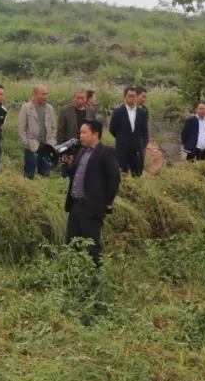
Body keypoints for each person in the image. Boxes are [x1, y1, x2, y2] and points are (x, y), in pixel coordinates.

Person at [65, 121, 121, 268]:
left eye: (85, 132)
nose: (81, 136)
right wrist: (69, 165)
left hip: (92, 207)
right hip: (75, 205)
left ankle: (97, 280)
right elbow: (73, 175)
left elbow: (115, 177)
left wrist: (108, 202)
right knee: (72, 244)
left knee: (92, 246)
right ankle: (72, 277)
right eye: (80, 133)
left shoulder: (105, 152)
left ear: (95, 134)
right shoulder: (81, 151)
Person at [18, 84, 55, 179]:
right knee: (29, 172)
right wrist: (26, 144)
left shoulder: (49, 108)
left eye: (46, 94)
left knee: (45, 172)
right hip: (32, 145)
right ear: (35, 94)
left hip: (46, 145)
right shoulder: (26, 108)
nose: (45, 96)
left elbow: (53, 127)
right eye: (42, 94)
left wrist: (53, 141)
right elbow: (21, 128)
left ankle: (44, 191)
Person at [108, 87, 146, 177]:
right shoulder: (118, 112)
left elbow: (144, 130)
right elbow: (112, 129)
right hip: (122, 148)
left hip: (136, 149)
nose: (132, 98)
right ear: (125, 97)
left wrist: (141, 143)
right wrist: (122, 138)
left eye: (134, 96)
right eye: (129, 96)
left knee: (136, 174)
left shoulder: (142, 112)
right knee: (122, 173)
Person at [57, 88, 96, 176]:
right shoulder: (65, 111)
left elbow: (94, 130)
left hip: (85, 148)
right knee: (67, 174)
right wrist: (62, 151)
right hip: (69, 148)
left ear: (86, 99)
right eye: (78, 98)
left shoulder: (91, 111)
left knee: (83, 173)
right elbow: (60, 132)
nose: (80, 100)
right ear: (73, 98)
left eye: (82, 98)